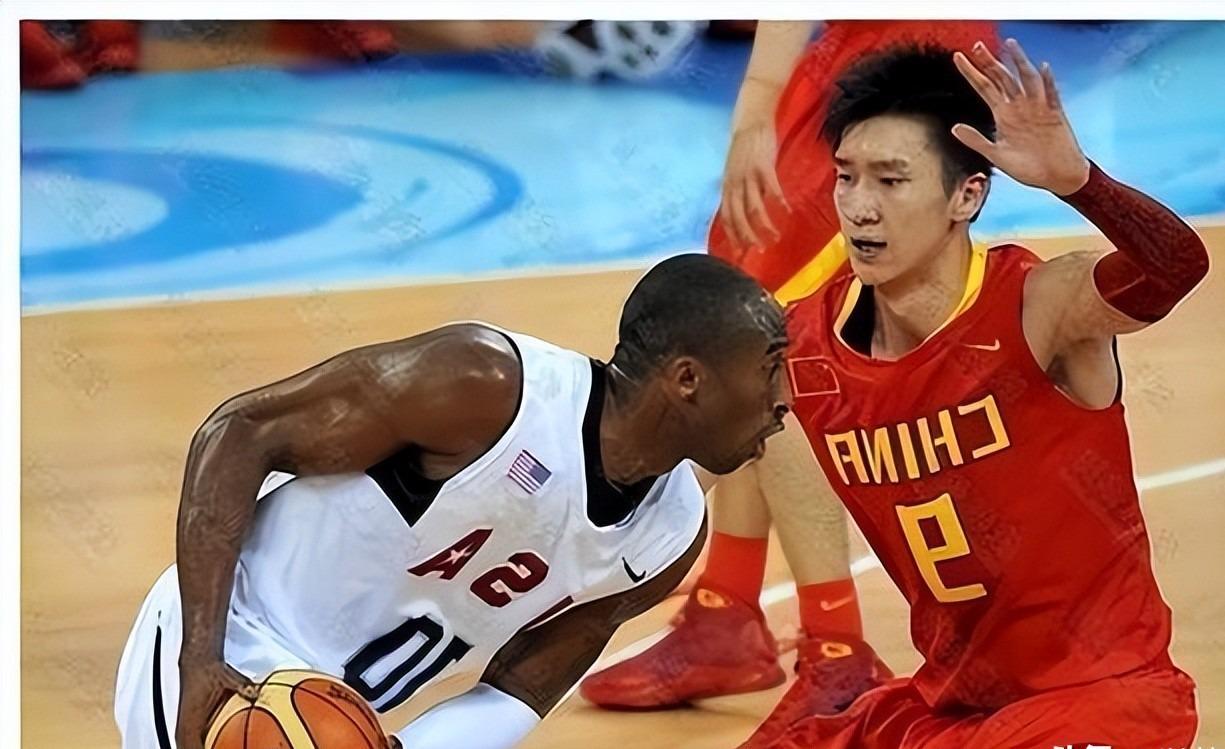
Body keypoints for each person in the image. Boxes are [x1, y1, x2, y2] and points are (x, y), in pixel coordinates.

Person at [113, 254, 794, 749]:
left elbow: (522, 686)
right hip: (232, 656)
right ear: (686, 380)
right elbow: (240, 432)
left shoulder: (668, 536)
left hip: (343, 718)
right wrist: (199, 656)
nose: (785, 400)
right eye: (769, 369)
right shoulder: (486, 388)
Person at [759, 40, 1205, 748]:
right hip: (949, 708)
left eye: (890, 180)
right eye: (845, 177)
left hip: (1100, 701)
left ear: (966, 194)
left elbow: (1174, 268)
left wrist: (1079, 183)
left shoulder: (1040, 308)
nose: (859, 207)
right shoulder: (805, 342)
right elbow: (687, 431)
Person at [582, 21, 997, 749]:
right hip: (851, 64)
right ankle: (726, 610)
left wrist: (756, 104)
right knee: (751, 327)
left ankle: (838, 650)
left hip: (896, 61)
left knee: (768, 344)